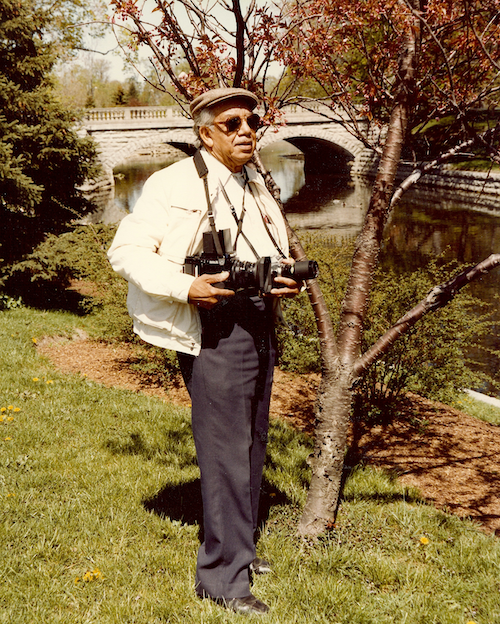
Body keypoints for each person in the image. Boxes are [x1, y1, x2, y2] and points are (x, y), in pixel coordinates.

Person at [108, 87, 301, 615]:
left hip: (260, 319)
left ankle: (241, 549)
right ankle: (222, 579)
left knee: (254, 441)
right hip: (214, 326)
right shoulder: (171, 183)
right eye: (232, 122)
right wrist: (183, 285)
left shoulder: (256, 180)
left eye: (252, 122)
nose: (246, 131)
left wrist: (285, 279)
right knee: (224, 450)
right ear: (206, 133)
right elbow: (124, 250)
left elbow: (270, 251)